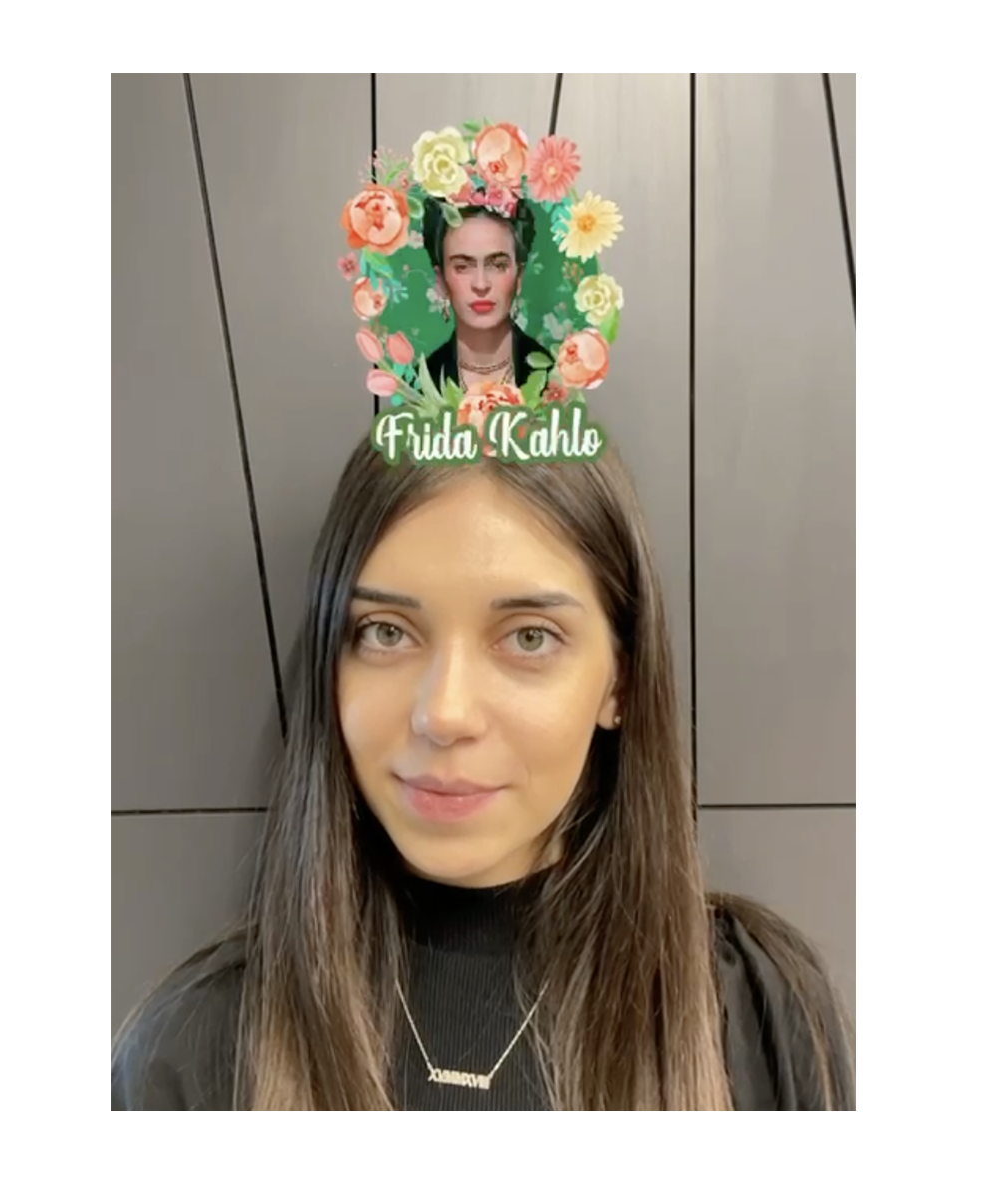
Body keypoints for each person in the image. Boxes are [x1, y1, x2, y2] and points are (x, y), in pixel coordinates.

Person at [112, 435, 855, 1110]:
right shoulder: (191, 1051)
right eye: (386, 632)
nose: (445, 713)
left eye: (529, 637)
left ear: (619, 684)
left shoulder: (753, 1009)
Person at [422, 195, 552, 393]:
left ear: (519, 276)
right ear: (441, 281)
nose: (481, 284)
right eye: (462, 267)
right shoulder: (419, 388)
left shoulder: (555, 380)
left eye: (498, 265)